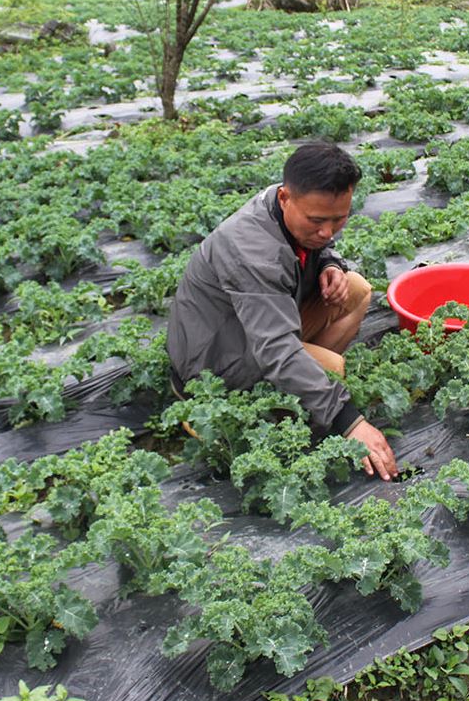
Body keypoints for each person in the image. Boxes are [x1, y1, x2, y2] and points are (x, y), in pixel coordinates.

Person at [166, 142, 399, 481]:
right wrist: (349, 421)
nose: (327, 231)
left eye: (339, 219)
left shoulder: (287, 206)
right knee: (333, 368)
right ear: (285, 198)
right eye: (317, 220)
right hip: (212, 366)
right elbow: (274, 346)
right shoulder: (252, 249)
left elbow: (320, 242)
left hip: (256, 326)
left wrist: (329, 264)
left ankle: (297, 383)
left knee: (357, 289)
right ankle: (260, 403)